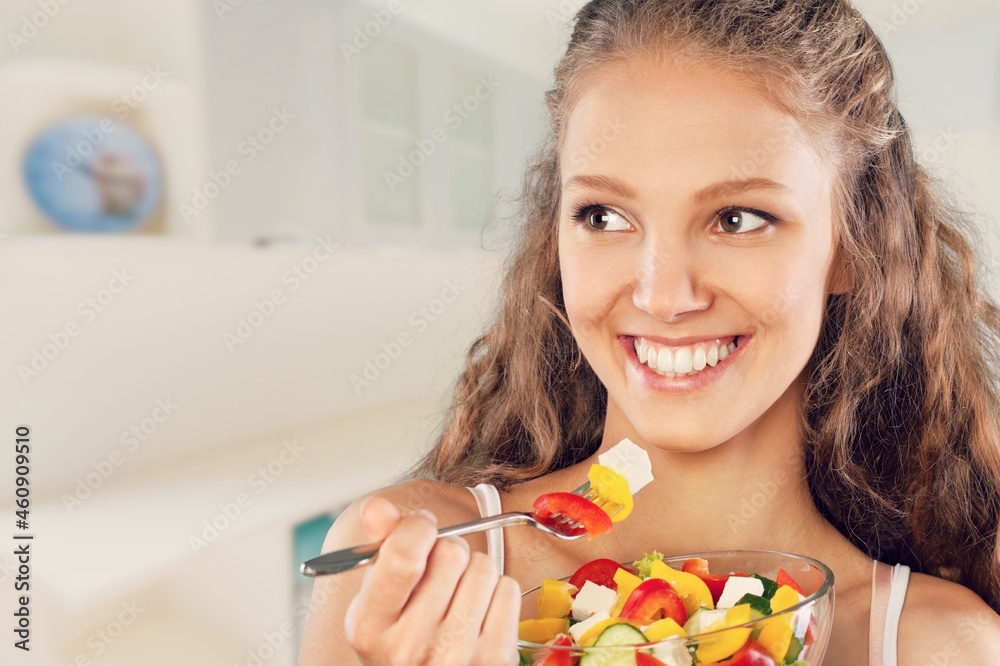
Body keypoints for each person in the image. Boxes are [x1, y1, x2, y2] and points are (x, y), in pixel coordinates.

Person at [299, 1, 1000, 663]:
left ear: (852, 244)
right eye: (604, 216)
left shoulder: (939, 647)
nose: (662, 296)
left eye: (738, 219)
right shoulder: (414, 579)